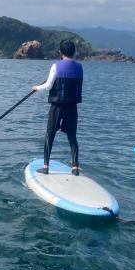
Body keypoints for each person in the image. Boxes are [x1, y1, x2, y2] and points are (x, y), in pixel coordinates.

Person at [31, 39, 83, 175]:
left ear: (60, 52)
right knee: (72, 136)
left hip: (57, 106)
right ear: (74, 52)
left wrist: (37, 87)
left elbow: (48, 86)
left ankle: (46, 166)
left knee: (50, 134)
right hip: (72, 107)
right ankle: (75, 167)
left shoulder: (56, 66)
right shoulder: (79, 67)